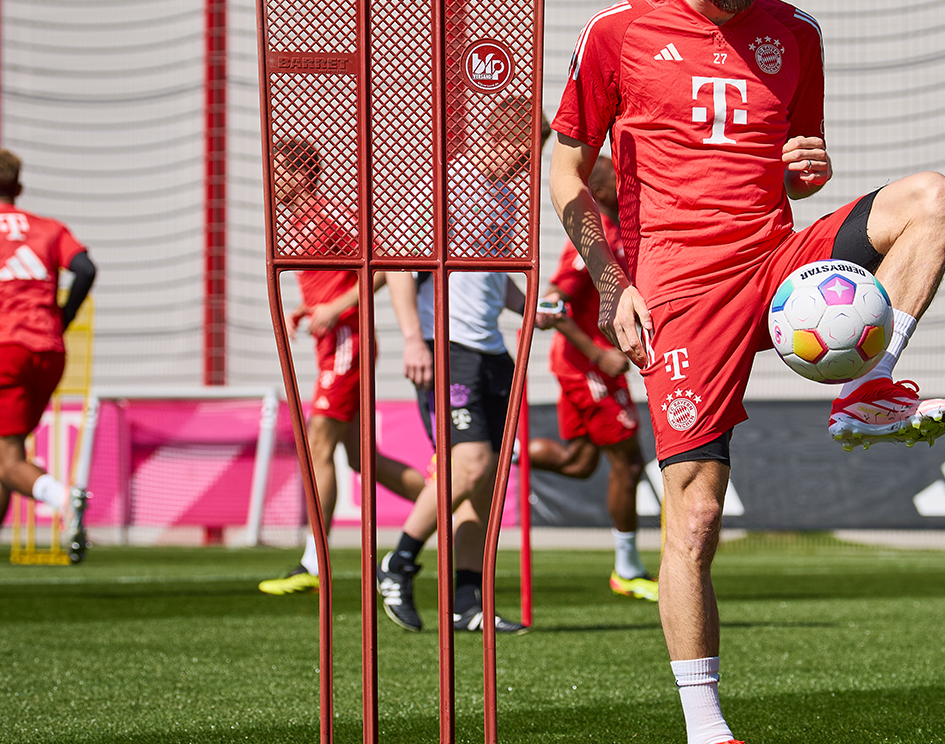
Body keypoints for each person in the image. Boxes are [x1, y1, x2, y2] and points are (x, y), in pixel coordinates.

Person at [548, 0, 945, 744]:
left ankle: (867, 385)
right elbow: (565, 173)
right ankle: (707, 741)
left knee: (937, 197)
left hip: (778, 264)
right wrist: (614, 282)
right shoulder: (618, 32)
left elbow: (794, 166)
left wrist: (807, 171)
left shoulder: (796, 33)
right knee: (695, 517)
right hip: (683, 290)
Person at [376, 99, 535, 635]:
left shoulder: (506, 196)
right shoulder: (448, 183)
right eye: (522, 154)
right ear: (499, 139)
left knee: (485, 480)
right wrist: (412, 340)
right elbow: (399, 264)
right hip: (446, 349)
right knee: (465, 466)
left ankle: (467, 603)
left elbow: (497, 280)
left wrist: (535, 305)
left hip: (491, 352)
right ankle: (397, 564)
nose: (526, 167)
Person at [258, 137, 427, 596]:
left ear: (302, 173)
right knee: (360, 458)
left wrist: (335, 309)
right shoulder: (297, 219)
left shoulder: (327, 213)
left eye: (282, 171)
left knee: (318, 445)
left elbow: (382, 264)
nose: (275, 180)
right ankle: (438, 501)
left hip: (348, 343)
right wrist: (310, 311)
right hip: (333, 343)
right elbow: (327, 281)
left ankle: (315, 563)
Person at [0, 147, 95, 598]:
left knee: (6, 460)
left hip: (3, 348)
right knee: (3, 460)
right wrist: (60, 317)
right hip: (48, 350)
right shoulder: (49, 228)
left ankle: (64, 499)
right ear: (19, 187)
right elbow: (85, 268)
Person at [528, 154, 657, 601]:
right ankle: (627, 568)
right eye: (621, 184)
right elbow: (548, 307)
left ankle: (495, 456)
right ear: (602, 194)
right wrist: (598, 355)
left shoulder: (625, 233)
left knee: (579, 464)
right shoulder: (593, 239)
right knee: (629, 463)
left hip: (590, 366)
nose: (631, 189)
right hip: (586, 369)